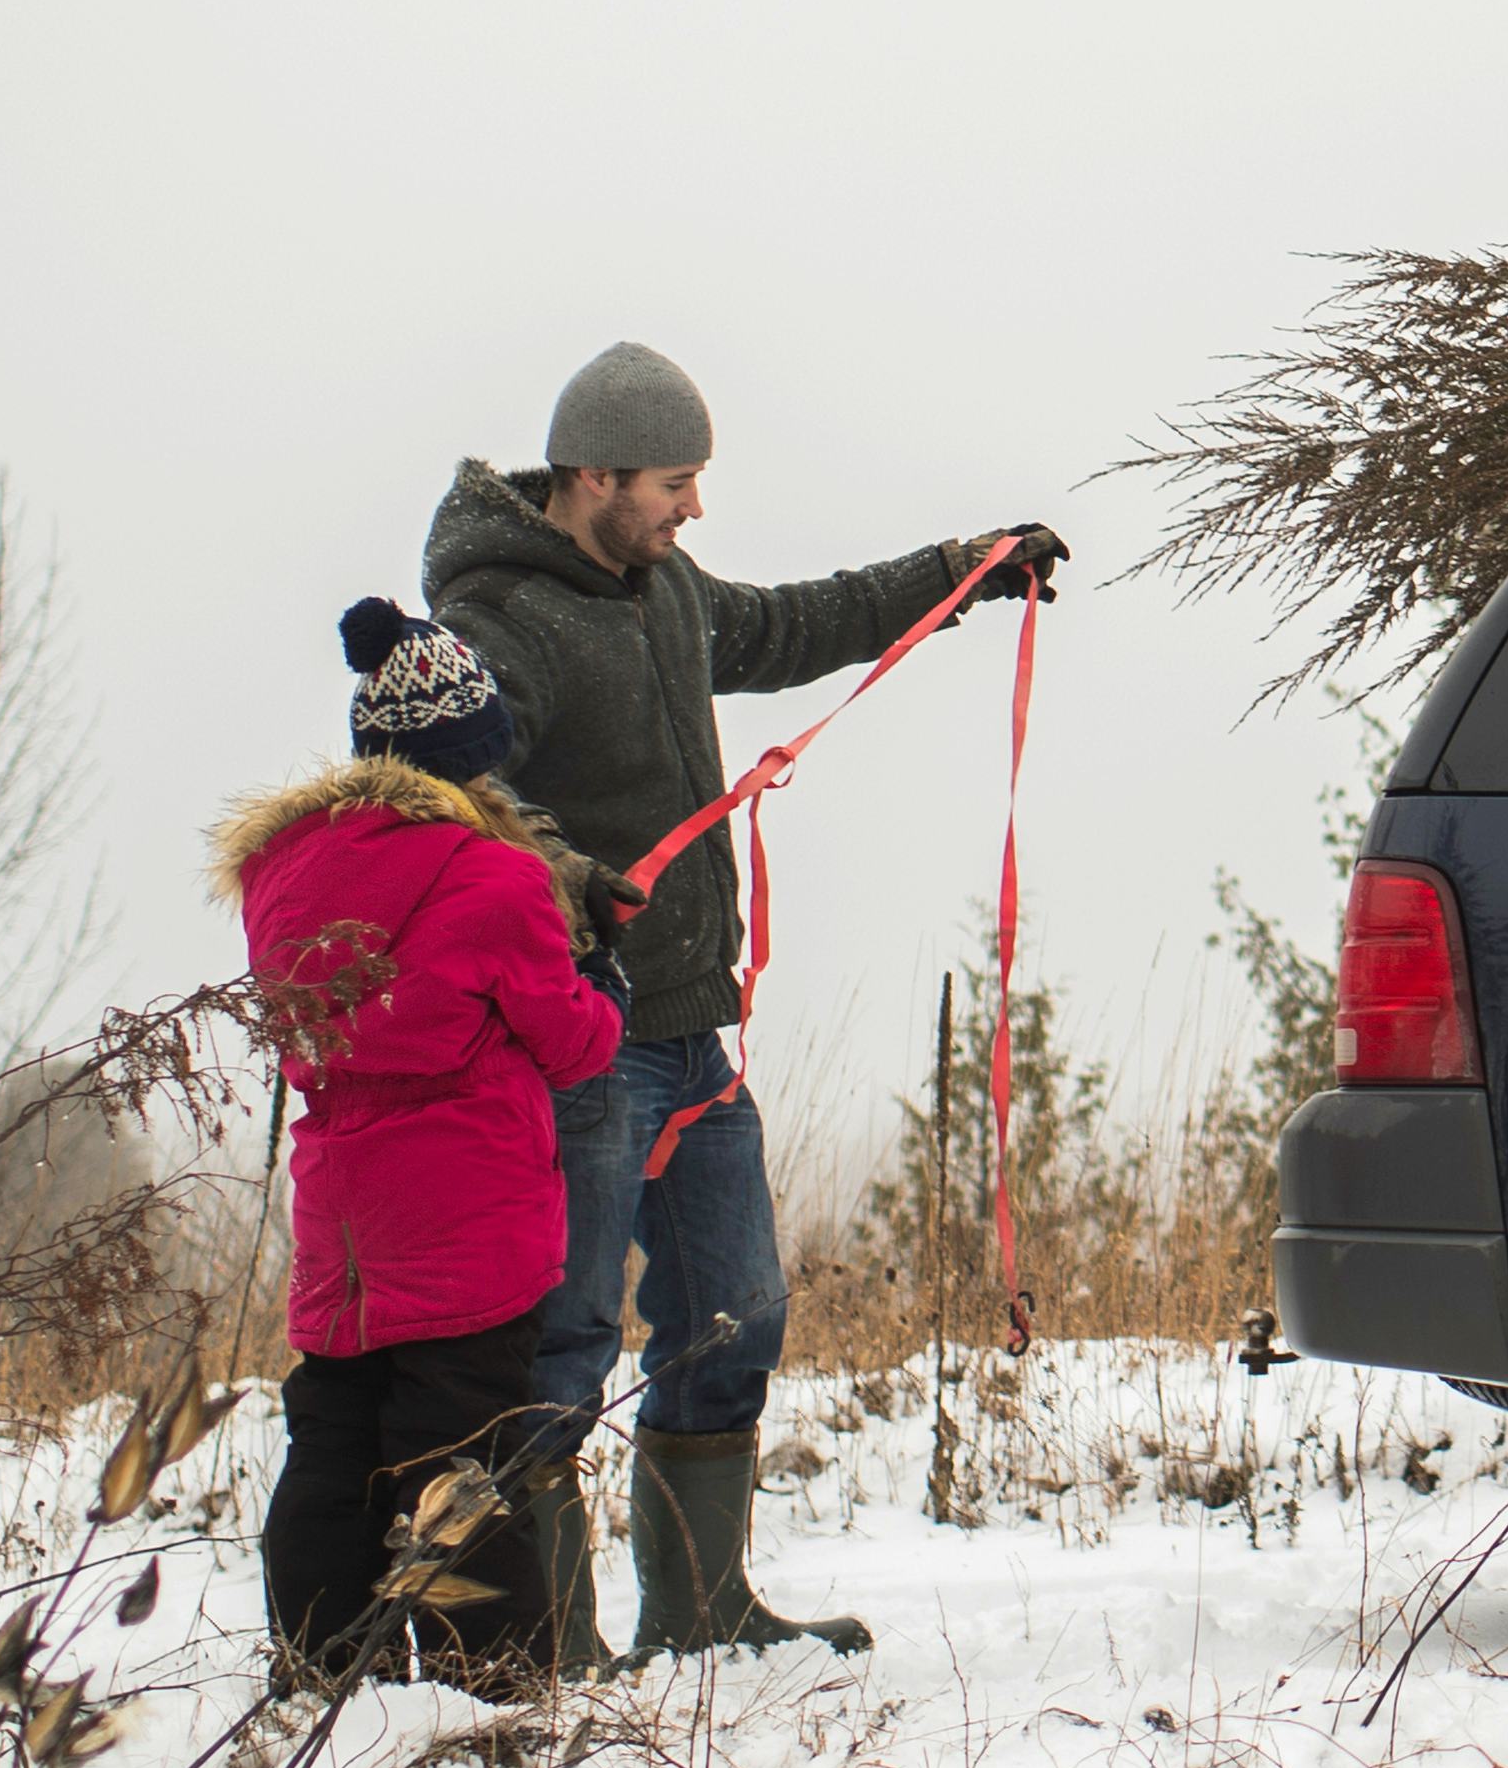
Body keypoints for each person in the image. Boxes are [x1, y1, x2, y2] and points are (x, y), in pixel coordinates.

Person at [425, 340, 1062, 1663]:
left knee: (738, 1308)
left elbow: (786, 624)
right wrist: (568, 876)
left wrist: (962, 567)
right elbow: (451, 792)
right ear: (593, 473)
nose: (692, 507)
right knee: (568, 1334)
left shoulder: (660, 587)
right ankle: (542, 1635)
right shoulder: (499, 624)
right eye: (675, 480)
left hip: (685, 1030)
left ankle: (702, 1607)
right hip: (571, 1041)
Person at [221, 599, 624, 1686]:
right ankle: (487, 1681)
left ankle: (321, 1666)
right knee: (460, 1460)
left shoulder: (279, 877)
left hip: (343, 1213)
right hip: (468, 1212)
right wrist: (601, 986)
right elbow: (570, 1040)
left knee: (334, 1441)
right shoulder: (496, 877)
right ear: (467, 761)